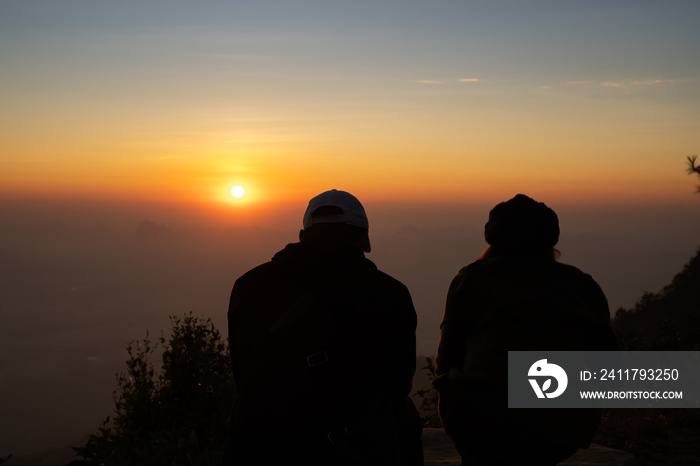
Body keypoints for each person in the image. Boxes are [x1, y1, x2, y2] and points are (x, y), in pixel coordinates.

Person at [224, 189, 423, 466]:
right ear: (362, 238)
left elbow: (242, 370)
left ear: (303, 235)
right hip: (352, 448)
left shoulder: (248, 286)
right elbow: (399, 381)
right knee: (406, 418)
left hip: (260, 443)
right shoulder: (390, 294)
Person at [433, 194, 620, 466]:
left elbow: (446, 359)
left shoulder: (470, 280)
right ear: (550, 241)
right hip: (560, 434)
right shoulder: (582, 286)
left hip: (480, 429)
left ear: (493, 240)